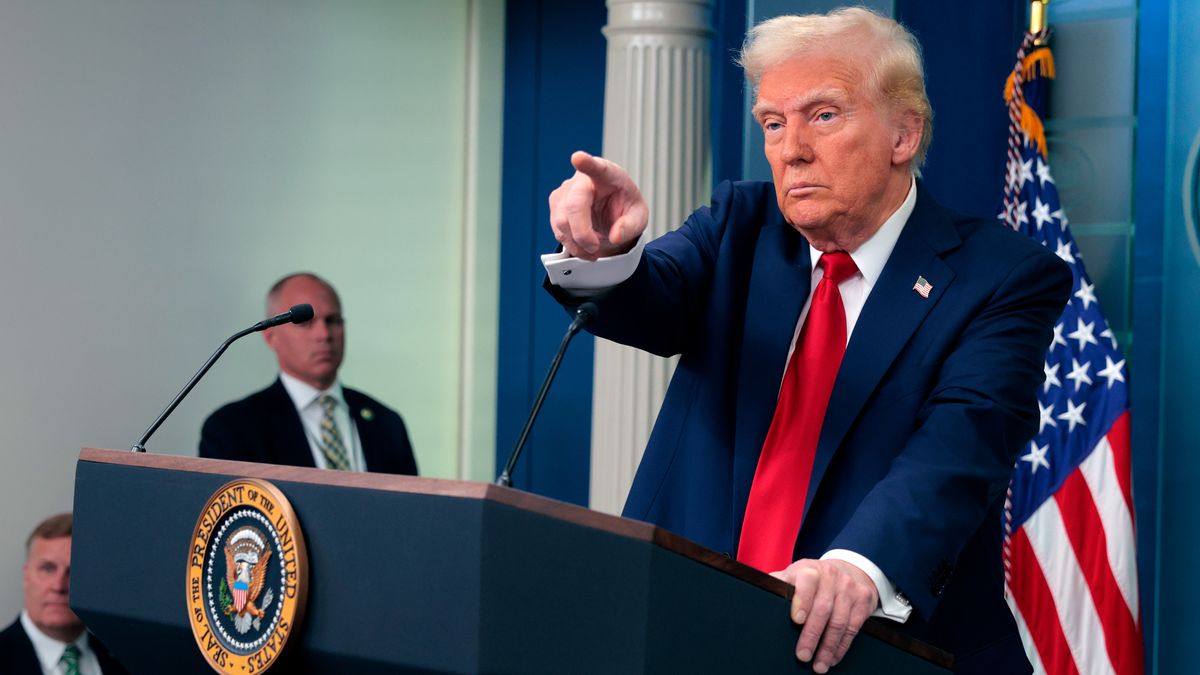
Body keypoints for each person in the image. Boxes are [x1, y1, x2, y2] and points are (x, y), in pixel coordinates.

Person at [544, 8, 1070, 675]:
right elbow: (652, 297)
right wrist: (606, 252)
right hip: (690, 633)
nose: (790, 148)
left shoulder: (1000, 276)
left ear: (903, 134)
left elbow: (961, 446)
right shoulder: (740, 224)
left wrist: (855, 569)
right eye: (772, 122)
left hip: (882, 649)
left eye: (823, 115)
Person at [199, 272, 418, 474]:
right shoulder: (233, 428)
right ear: (270, 337)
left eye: (333, 321)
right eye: (306, 323)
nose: (324, 334)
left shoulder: (386, 423)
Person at [0, 513, 128, 674]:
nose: (59, 586)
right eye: (48, 568)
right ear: (26, 576)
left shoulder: (129, 660)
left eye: (75, 571)